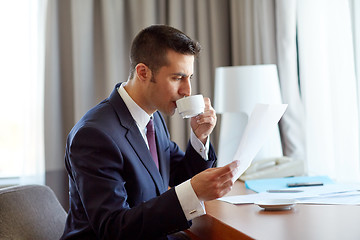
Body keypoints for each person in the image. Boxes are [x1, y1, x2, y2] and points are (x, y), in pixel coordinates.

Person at [60, 24, 240, 240]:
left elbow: (182, 176)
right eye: (177, 78)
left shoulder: (152, 119)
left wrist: (200, 137)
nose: (187, 91)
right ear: (143, 72)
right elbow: (114, 228)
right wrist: (192, 192)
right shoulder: (94, 136)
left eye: (189, 77)